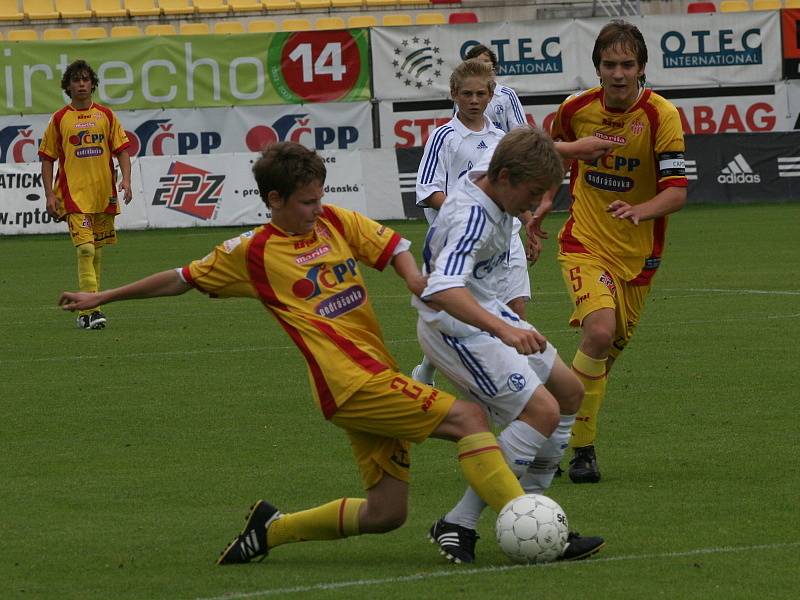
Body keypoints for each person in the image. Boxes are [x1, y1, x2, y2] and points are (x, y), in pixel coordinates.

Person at [58, 141, 530, 566]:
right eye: (306, 202)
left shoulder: (334, 221)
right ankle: (531, 523)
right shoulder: (253, 253)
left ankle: (272, 528)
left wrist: (409, 276)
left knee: (386, 513)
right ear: (274, 201)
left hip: (373, 375)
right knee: (469, 418)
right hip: (350, 384)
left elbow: (391, 244)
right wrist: (104, 296)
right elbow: (180, 278)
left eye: (319, 197)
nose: (316, 208)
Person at [415, 127, 609, 565]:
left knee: (569, 392)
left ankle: (536, 519)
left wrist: (566, 153)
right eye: (533, 193)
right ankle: (459, 522)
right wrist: (504, 330)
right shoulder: (470, 216)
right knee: (540, 410)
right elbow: (442, 289)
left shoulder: (492, 172)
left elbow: (528, 150)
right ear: (503, 178)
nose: (537, 203)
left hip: (484, 309)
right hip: (455, 326)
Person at [549, 20, 687, 483]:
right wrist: (540, 208)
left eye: (628, 64)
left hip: (639, 256)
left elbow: (677, 191)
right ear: (598, 68)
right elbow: (550, 156)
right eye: (610, 64)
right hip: (583, 241)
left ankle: (549, 412)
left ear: (642, 68)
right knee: (599, 333)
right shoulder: (574, 109)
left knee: (600, 363)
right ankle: (576, 450)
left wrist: (640, 210)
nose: (619, 73)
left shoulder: (661, 116)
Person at [40, 59, 132, 330]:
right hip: (73, 197)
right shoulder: (59, 119)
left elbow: (122, 150)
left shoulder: (106, 115)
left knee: (97, 253)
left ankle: (86, 313)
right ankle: (92, 310)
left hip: (103, 195)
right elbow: (47, 158)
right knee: (86, 249)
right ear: (68, 86)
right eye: (75, 80)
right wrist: (49, 194)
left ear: (92, 83)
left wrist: (126, 180)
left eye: (85, 79)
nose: (81, 84)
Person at [463, 43, 527, 133]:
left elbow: (521, 133)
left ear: (493, 67)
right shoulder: (462, 96)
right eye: (477, 62)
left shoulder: (507, 95)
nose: (482, 66)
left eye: (486, 61)